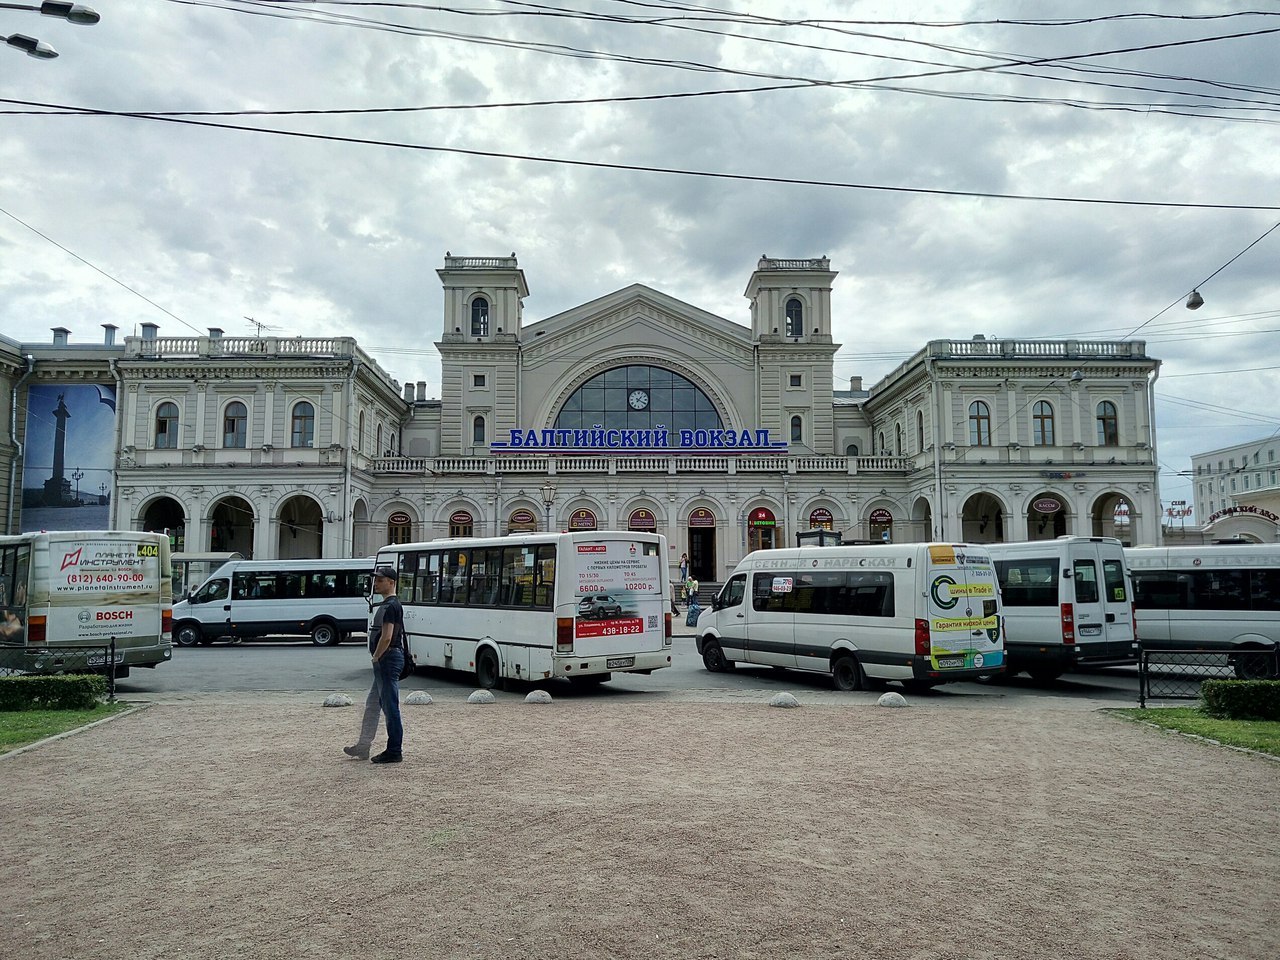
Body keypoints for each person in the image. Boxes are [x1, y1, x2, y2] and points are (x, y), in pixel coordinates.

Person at [344, 565, 406, 764]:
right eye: (375, 580)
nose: (376, 583)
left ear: (392, 582)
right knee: (373, 704)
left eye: (380, 580)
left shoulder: (390, 606)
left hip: (387, 659)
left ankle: (394, 750)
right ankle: (363, 745)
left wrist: (376, 657)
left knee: (390, 707)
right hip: (388, 659)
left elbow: (387, 637)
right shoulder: (389, 605)